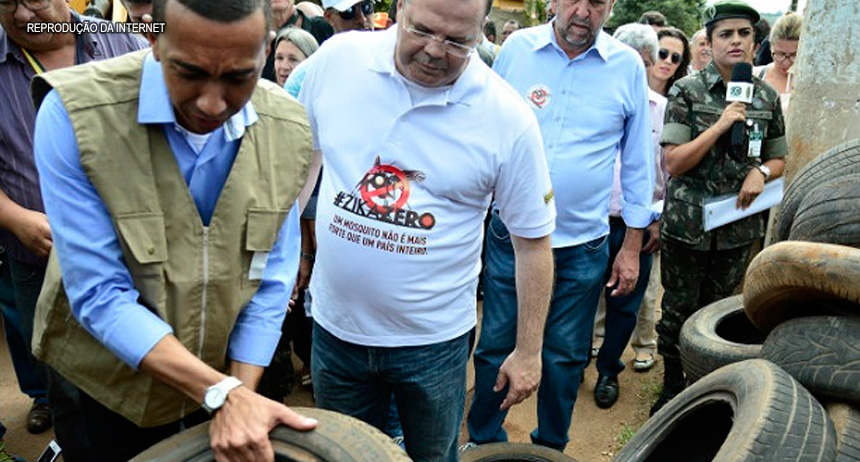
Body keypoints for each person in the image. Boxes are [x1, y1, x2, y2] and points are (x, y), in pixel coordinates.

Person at [30, 0, 318, 460]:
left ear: (266, 50)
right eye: (189, 72)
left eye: (239, 77)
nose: (212, 102)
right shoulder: (76, 115)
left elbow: (271, 279)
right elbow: (100, 293)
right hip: (104, 389)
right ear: (153, 38)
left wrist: (235, 395)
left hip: (224, 376)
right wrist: (224, 394)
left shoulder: (288, 127)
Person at [296, 0, 557, 457]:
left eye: (458, 41)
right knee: (343, 455)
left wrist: (529, 351)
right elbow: (303, 158)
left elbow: (533, 243)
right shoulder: (337, 62)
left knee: (432, 457)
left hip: (432, 343)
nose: (435, 51)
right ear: (399, 9)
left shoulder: (507, 117)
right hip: (336, 330)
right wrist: (285, 253)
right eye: (422, 30)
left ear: (481, 32)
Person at [467, 0, 654, 451]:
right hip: (509, 234)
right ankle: (484, 438)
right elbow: (479, 128)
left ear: (609, 7)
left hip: (583, 244)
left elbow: (637, 165)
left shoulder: (627, 66)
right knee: (495, 344)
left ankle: (550, 447)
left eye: (596, 1)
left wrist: (630, 247)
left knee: (565, 355)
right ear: (552, 1)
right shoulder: (517, 50)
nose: (582, 11)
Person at [0, 0, 146, 449]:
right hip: (39, 265)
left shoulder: (125, 43)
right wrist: (14, 217)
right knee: (68, 389)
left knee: (145, 368)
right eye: (8, 2)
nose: (24, 14)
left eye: (35, 1)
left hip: (135, 257)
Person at [652, 0, 787, 415]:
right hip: (688, 227)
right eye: (725, 34)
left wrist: (761, 172)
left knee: (717, 313)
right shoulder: (686, 90)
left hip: (736, 230)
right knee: (677, 311)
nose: (736, 41)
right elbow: (673, 162)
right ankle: (673, 384)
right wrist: (720, 124)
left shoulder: (765, 96)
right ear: (709, 43)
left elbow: (780, 156)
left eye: (744, 34)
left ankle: (706, 386)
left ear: (754, 41)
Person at [589, 23, 667, 409]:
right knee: (578, 297)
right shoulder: (592, 99)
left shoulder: (662, 111)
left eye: (642, 63)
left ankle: (607, 370)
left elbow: (667, 171)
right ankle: (567, 370)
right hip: (589, 223)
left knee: (625, 302)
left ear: (651, 64)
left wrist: (656, 219)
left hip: (636, 226)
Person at [261, 0, 333, 83]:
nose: (284, 66)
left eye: (293, 59)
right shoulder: (249, 38)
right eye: (279, 58)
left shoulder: (323, 29)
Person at [754, 12, 801, 115]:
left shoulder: (810, 83)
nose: (786, 62)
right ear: (771, 47)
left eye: (794, 55)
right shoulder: (755, 76)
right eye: (780, 54)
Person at [650, 27, 691, 96]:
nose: (668, 61)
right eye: (663, 53)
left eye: (675, 57)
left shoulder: (682, 100)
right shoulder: (629, 88)